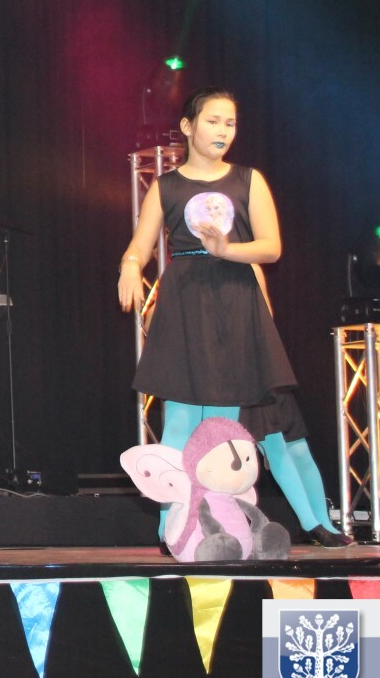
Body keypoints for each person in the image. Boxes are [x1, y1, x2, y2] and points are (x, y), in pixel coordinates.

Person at [118, 89, 350, 548]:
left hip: (235, 301)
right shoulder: (166, 186)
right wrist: (129, 266)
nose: (223, 130)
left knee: (223, 427)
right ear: (188, 126)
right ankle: (170, 529)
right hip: (185, 302)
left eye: (230, 123)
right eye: (213, 121)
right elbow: (140, 246)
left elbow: (271, 246)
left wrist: (226, 249)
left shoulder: (248, 180)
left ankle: (221, 523)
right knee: (179, 422)